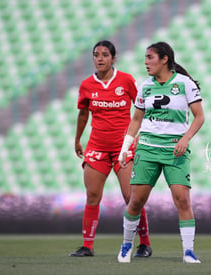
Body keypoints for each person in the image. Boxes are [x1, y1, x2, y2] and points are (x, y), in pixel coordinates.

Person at [116, 42, 205, 263]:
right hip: (147, 149)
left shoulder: (184, 84)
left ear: (164, 59)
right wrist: (125, 148)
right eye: (145, 58)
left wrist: (185, 139)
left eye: (150, 57)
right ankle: (126, 245)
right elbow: (136, 119)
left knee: (182, 200)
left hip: (175, 150)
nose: (146, 62)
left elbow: (199, 116)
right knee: (136, 201)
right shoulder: (145, 86)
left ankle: (188, 251)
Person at [69, 40, 152, 257]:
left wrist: (141, 135)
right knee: (93, 195)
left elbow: (142, 107)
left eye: (105, 55)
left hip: (122, 148)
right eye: (96, 54)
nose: (100, 58)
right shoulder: (87, 85)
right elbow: (83, 114)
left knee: (131, 197)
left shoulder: (125, 81)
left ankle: (144, 244)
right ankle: (87, 246)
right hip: (96, 146)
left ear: (113, 58)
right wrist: (78, 139)